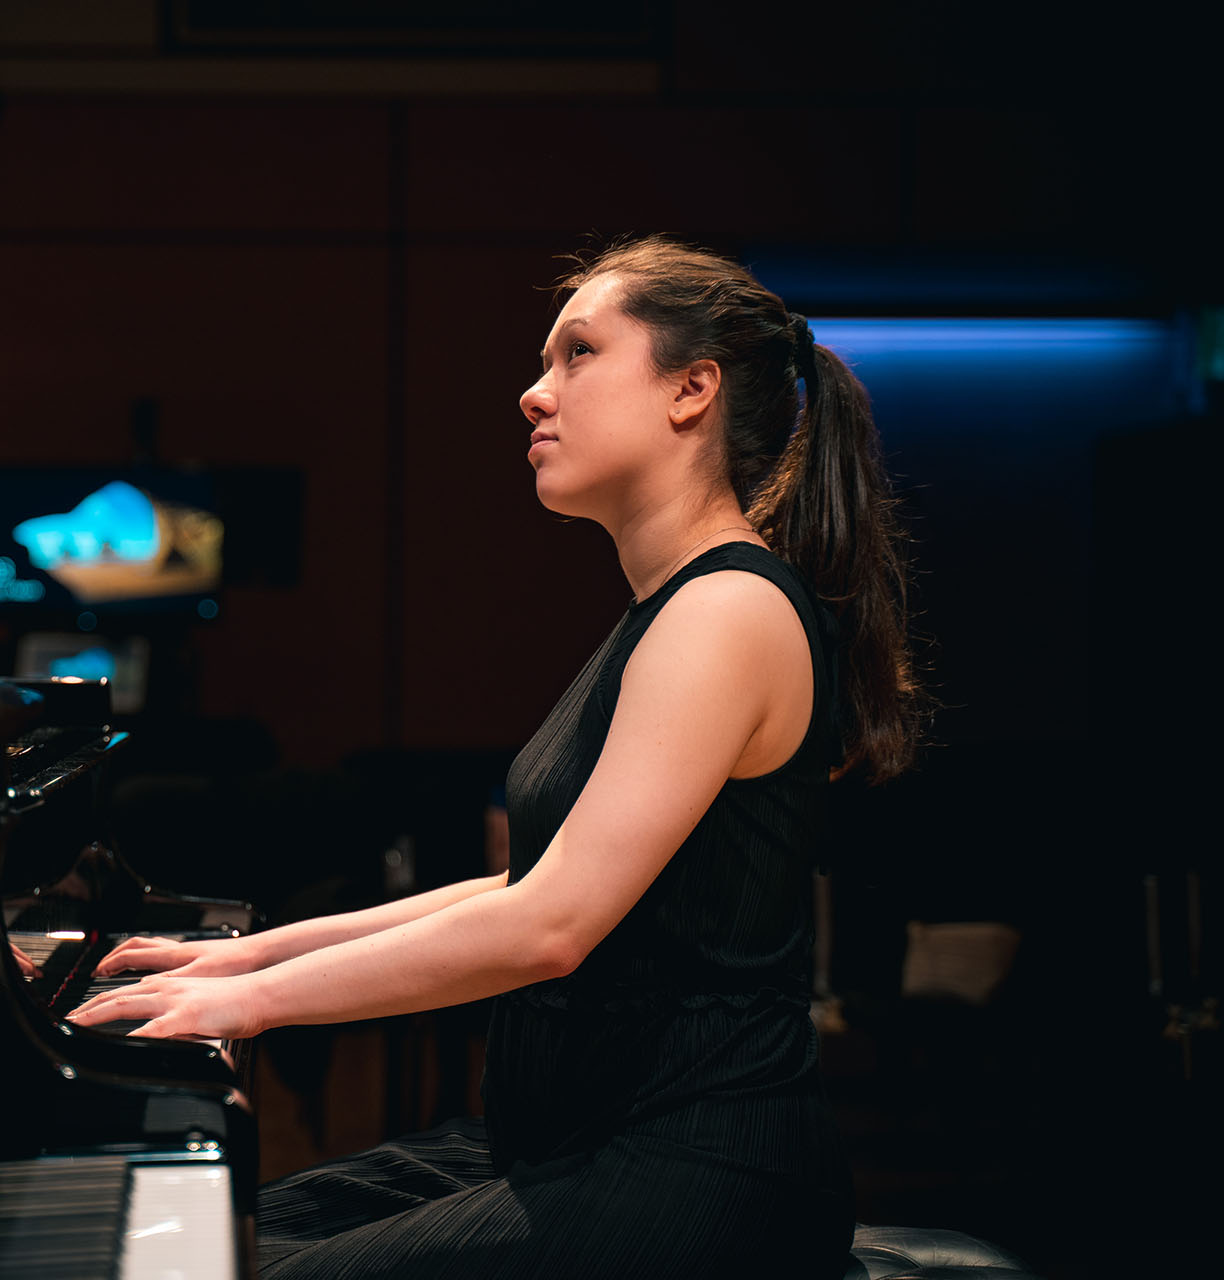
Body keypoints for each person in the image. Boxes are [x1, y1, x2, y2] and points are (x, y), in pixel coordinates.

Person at [68, 235, 920, 1278]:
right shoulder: (669, 611)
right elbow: (530, 883)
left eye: (577, 354)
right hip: (573, 1140)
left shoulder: (728, 610)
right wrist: (247, 954)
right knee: (209, 1238)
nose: (533, 393)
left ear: (692, 390)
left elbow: (549, 926)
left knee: (222, 1271)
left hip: (699, 1175)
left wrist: (250, 1004)